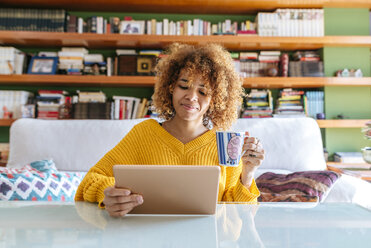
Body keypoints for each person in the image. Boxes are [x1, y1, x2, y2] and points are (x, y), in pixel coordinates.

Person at [75, 43, 265, 217]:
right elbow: (88, 182)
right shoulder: (143, 134)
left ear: (216, 99)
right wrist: (108, 193)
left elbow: (239, 216)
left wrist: (247, 174)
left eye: (203, 91)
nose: (191, 97)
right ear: (170, 88)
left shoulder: (226, 145)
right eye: (184, 86)